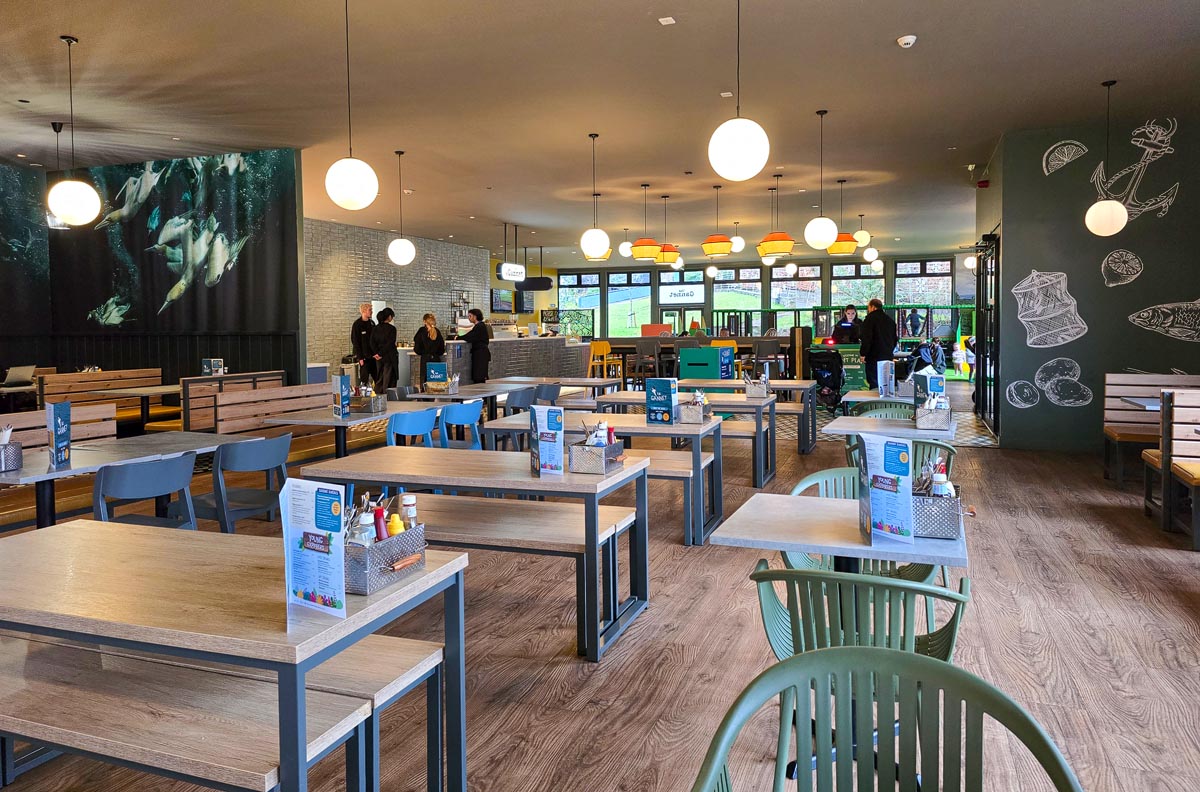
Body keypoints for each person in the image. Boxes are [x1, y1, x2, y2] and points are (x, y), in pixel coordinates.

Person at [860, 298, 898, 389]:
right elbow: (895, 339)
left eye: (868, 308)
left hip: (873, 356)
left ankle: (875, 402)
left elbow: (867, 338)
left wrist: (863, 353)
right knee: (886, 381)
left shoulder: (869, 319)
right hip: (887, 356)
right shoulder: (890, 321)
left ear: (872, 307)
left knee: (874, 381)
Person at [370, 308, 399, 393]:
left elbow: (371, 342)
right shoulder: (392, 329)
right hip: (389, 357)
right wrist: (381, 353)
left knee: (380, 378)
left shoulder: (375, 328)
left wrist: (376, 353)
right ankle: (389, 399)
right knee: (389, 379)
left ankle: (378, 396)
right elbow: (390, 343)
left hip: (379, 358)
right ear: (389, 317)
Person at [413, 313, 446, 384]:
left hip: (425, 360)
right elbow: (442, 349)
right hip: (436, 359)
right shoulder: (437, 331)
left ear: (424, 321)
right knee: (436, 382)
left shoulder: (421, 331)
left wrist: (422, 352)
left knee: (425, 383)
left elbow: (417, 349)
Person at [461, 308, 491, 383]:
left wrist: (457, 338)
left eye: (470, 316)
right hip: (481, 354)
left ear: (475, 316)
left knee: (479, 376)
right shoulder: (480, 326)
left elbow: (469, 337)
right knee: (479, 375)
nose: (469, 318)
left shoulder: (479, 326)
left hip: (480, 355)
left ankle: (481, 394)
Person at [350, 302, 376, 388]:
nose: (371, 312)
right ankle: (364, 395)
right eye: (370, 310)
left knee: (377, 377)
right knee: (364, 378)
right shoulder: (357, 325)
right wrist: (360, 357)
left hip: (373, 356)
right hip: (364, 357)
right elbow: (355, 342)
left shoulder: (372, 323)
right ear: (364, 311)